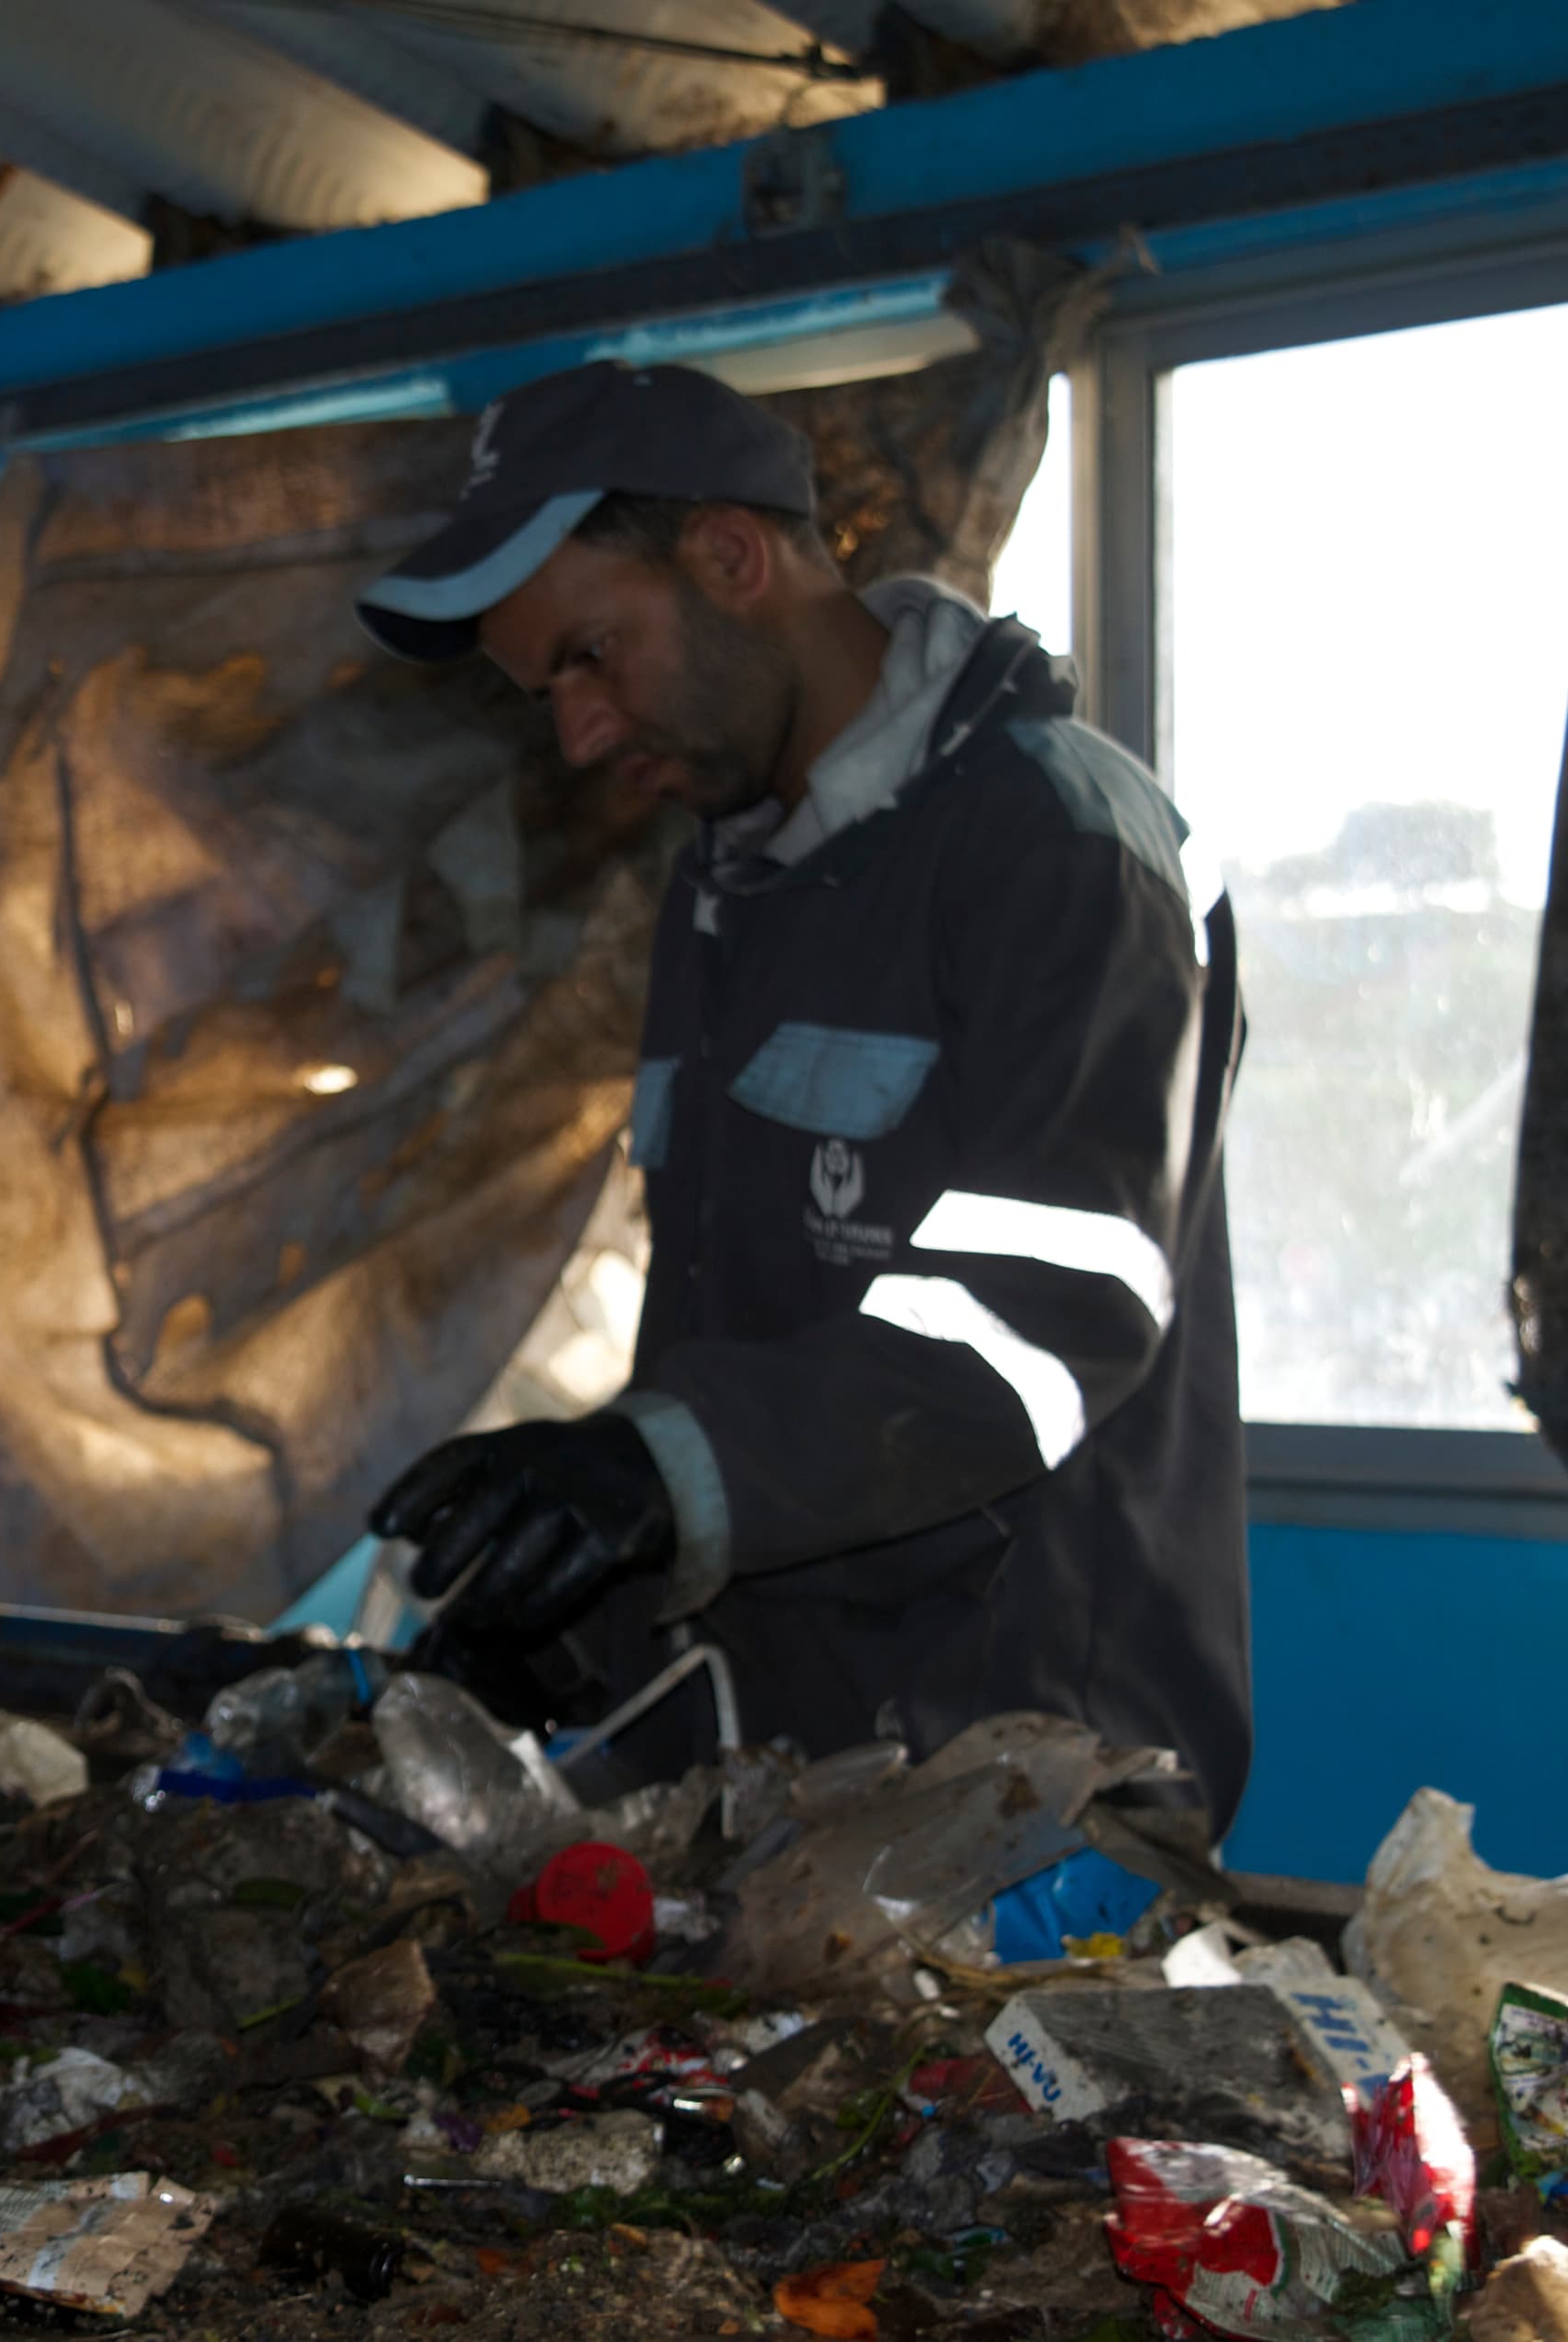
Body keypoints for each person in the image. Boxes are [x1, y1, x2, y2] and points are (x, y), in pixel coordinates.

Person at [352, 360, 1249, 1834]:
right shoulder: (731, 889)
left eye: (592, 655)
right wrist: (576, 1608)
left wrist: (655, 1469)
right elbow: (742, 1343)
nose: (579, 735)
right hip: (779, 1767)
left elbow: (1044, 1324)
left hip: (1023, 1779)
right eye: (547, 693)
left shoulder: (1062, 845)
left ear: (731, 556)